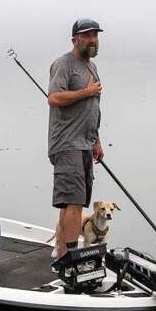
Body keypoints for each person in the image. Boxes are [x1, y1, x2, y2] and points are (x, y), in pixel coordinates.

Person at [46, 18, 104, 260]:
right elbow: (54, 98)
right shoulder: (63, 64)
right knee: (74, 201)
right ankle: (72, 258)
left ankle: (61, 256)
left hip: (84, 143)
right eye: (87, 35)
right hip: (66, 143)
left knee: (72, 203)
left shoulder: (91, 67)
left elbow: (92, 105)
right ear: (75, 39)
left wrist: (96, 139)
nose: (93, 40)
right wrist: (85, 92)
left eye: (95, 35)